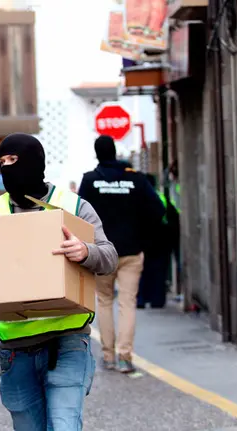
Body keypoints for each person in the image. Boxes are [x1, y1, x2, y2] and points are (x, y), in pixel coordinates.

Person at [0, 133, 118, 430]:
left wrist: (86, 251)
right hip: (15, 347)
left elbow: (109, 257)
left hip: (68, 341)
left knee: (64, 425)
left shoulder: (73, 206)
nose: (8, 167)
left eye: (15, 160)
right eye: (3, 162)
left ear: (36, 162)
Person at [77, 135, 165, 373]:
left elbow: (77, 215)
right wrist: (141, 233)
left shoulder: (90, 180)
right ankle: (125, 357)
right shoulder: (134, 179)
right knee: (127, 303)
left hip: (102, 253)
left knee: (104, 302)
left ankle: (108, 357)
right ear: (115, 152)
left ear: (97, 154)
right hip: (131, 251)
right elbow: (158, 209)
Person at [137, 174, 171, 309]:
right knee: (158, 271)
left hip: (141, 240)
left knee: (141, 271)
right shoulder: (160, 197)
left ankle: (141, 299)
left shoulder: (137, 197)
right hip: (159, 240)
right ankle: (157, 300)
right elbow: (167, 217)